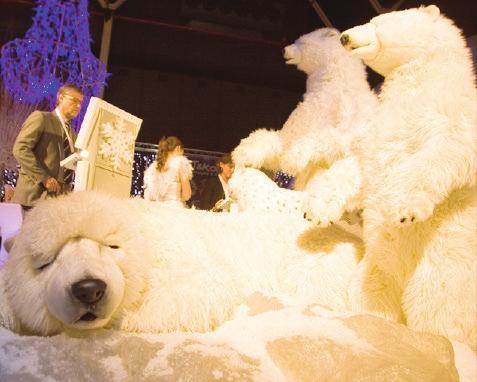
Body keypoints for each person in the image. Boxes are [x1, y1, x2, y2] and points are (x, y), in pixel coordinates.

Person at [12, 83, 83, 210]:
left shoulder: (73, 135)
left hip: (57, 202)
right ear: (61, 98)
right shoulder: (42, 118)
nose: (78, 106)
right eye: (74, 100)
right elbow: (20, 149)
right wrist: (44, 178)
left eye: (80, 103)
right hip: (33, 198)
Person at [143, 136, 193, 208]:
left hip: (155, 210)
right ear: (178, 148)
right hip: (174, 210)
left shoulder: (152, 168)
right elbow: (187, 195)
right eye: (183, 152)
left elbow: (148, 195)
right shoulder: (180, 164)